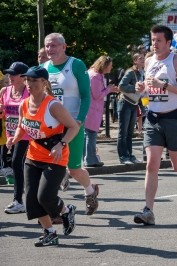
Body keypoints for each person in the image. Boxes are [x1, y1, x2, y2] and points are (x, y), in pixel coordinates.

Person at [133, 25, 177, 226]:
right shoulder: (148, 61)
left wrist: (163, 84)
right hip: (153, 118)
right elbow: (149, 90)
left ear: (168, 42)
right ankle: (148, 210)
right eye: (152, 40)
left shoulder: (176, 61)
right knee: (151, 164)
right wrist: (143, 89)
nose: (154, 44)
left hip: (174, 117)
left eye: (158, 40)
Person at [6, 66, 80, 247]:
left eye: (34, 80)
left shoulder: (53, 105)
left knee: (45, 197)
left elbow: (74, 127)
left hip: (55, 158)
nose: (29, 84)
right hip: (33, 156)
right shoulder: (24, 103)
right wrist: (14, 139)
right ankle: (50, 232)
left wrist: (61, 144)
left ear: (44, 82)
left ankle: (65, 210)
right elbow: (22, 125)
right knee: (31, 199)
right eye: (27, 80)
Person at [43, 32, 99, 215]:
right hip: (51, 126)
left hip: (73, 124)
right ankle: (53, 209)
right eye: (47, 46)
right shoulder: (43, 68)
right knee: (48, 165)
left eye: (54, 45)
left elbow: (85, 95)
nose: (50, 49)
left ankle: (90, 191)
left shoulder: (76, 64)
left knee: (74, 169)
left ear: (64, 47)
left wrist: (80, 118)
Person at [1, 62, 29, 214]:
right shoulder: (5, 91)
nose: (10, 76)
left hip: (27, 135)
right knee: (21, 165)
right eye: (9, 73)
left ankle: (18, 201)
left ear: (23, 77)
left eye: (14, 74)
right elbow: (2, 113)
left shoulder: (30, 92)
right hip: (10, 135)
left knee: (17, 163)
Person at [84, 55, 119, 167]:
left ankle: (89, 158)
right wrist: (109, 89)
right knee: (91, 134)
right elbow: (97, 95)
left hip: (91, 109)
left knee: (88, 134)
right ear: (104, 65)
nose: (111, 67)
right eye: (110, 65)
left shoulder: (93, 74)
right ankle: (90, 159)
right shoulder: (95, 76)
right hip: (93, 109)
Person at [117, 53, 145, 164]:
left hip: (134, 104)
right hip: (125, 103)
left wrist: (142, 107)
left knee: (129, 132)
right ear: (135, 61)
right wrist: (135, 88)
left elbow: (142, 92)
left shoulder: (142, 73)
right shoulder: (130, 72)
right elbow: (121, 86)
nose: (143, 60)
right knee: (123, 132)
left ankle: (129, 155)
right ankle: (123, 156)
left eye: (143, 58)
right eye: (140, 58)